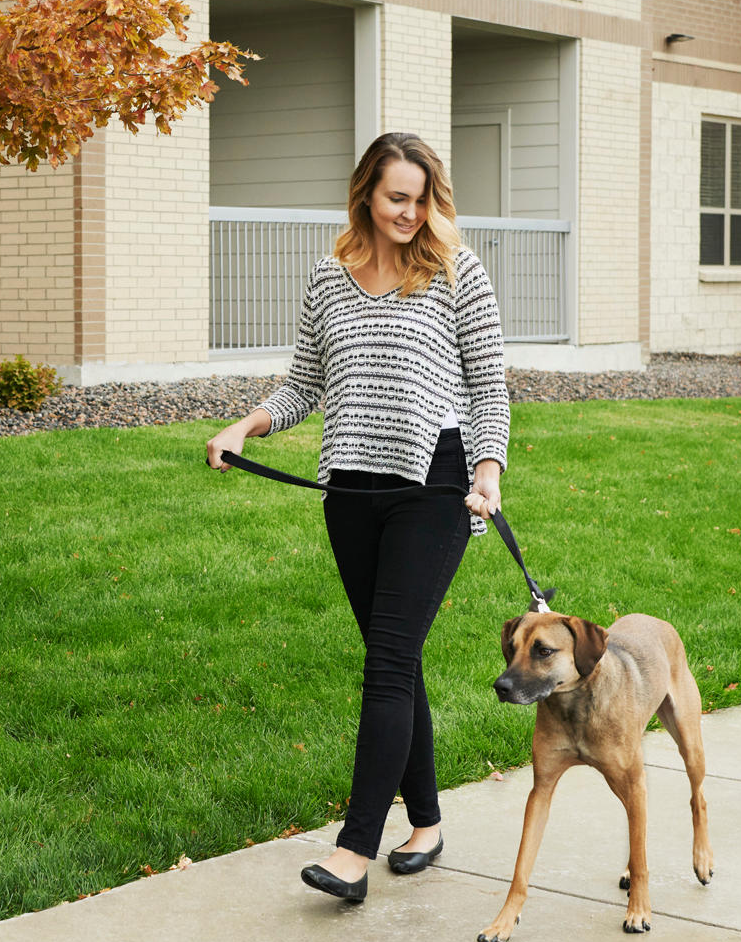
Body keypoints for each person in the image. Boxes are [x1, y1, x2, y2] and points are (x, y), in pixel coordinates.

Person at [205, 131, 511, 902]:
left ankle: (354, 848)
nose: (409, 213)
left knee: (385, 661)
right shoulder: (330, 277)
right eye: (395, 198)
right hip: (350, 492)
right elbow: (305, 380)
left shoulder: (455, 274)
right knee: (395, 658)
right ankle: (430, 822)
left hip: (434, 489)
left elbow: (489, 388)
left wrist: (487, 472)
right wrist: (247, 425)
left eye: (421, 198)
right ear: (366, 197)